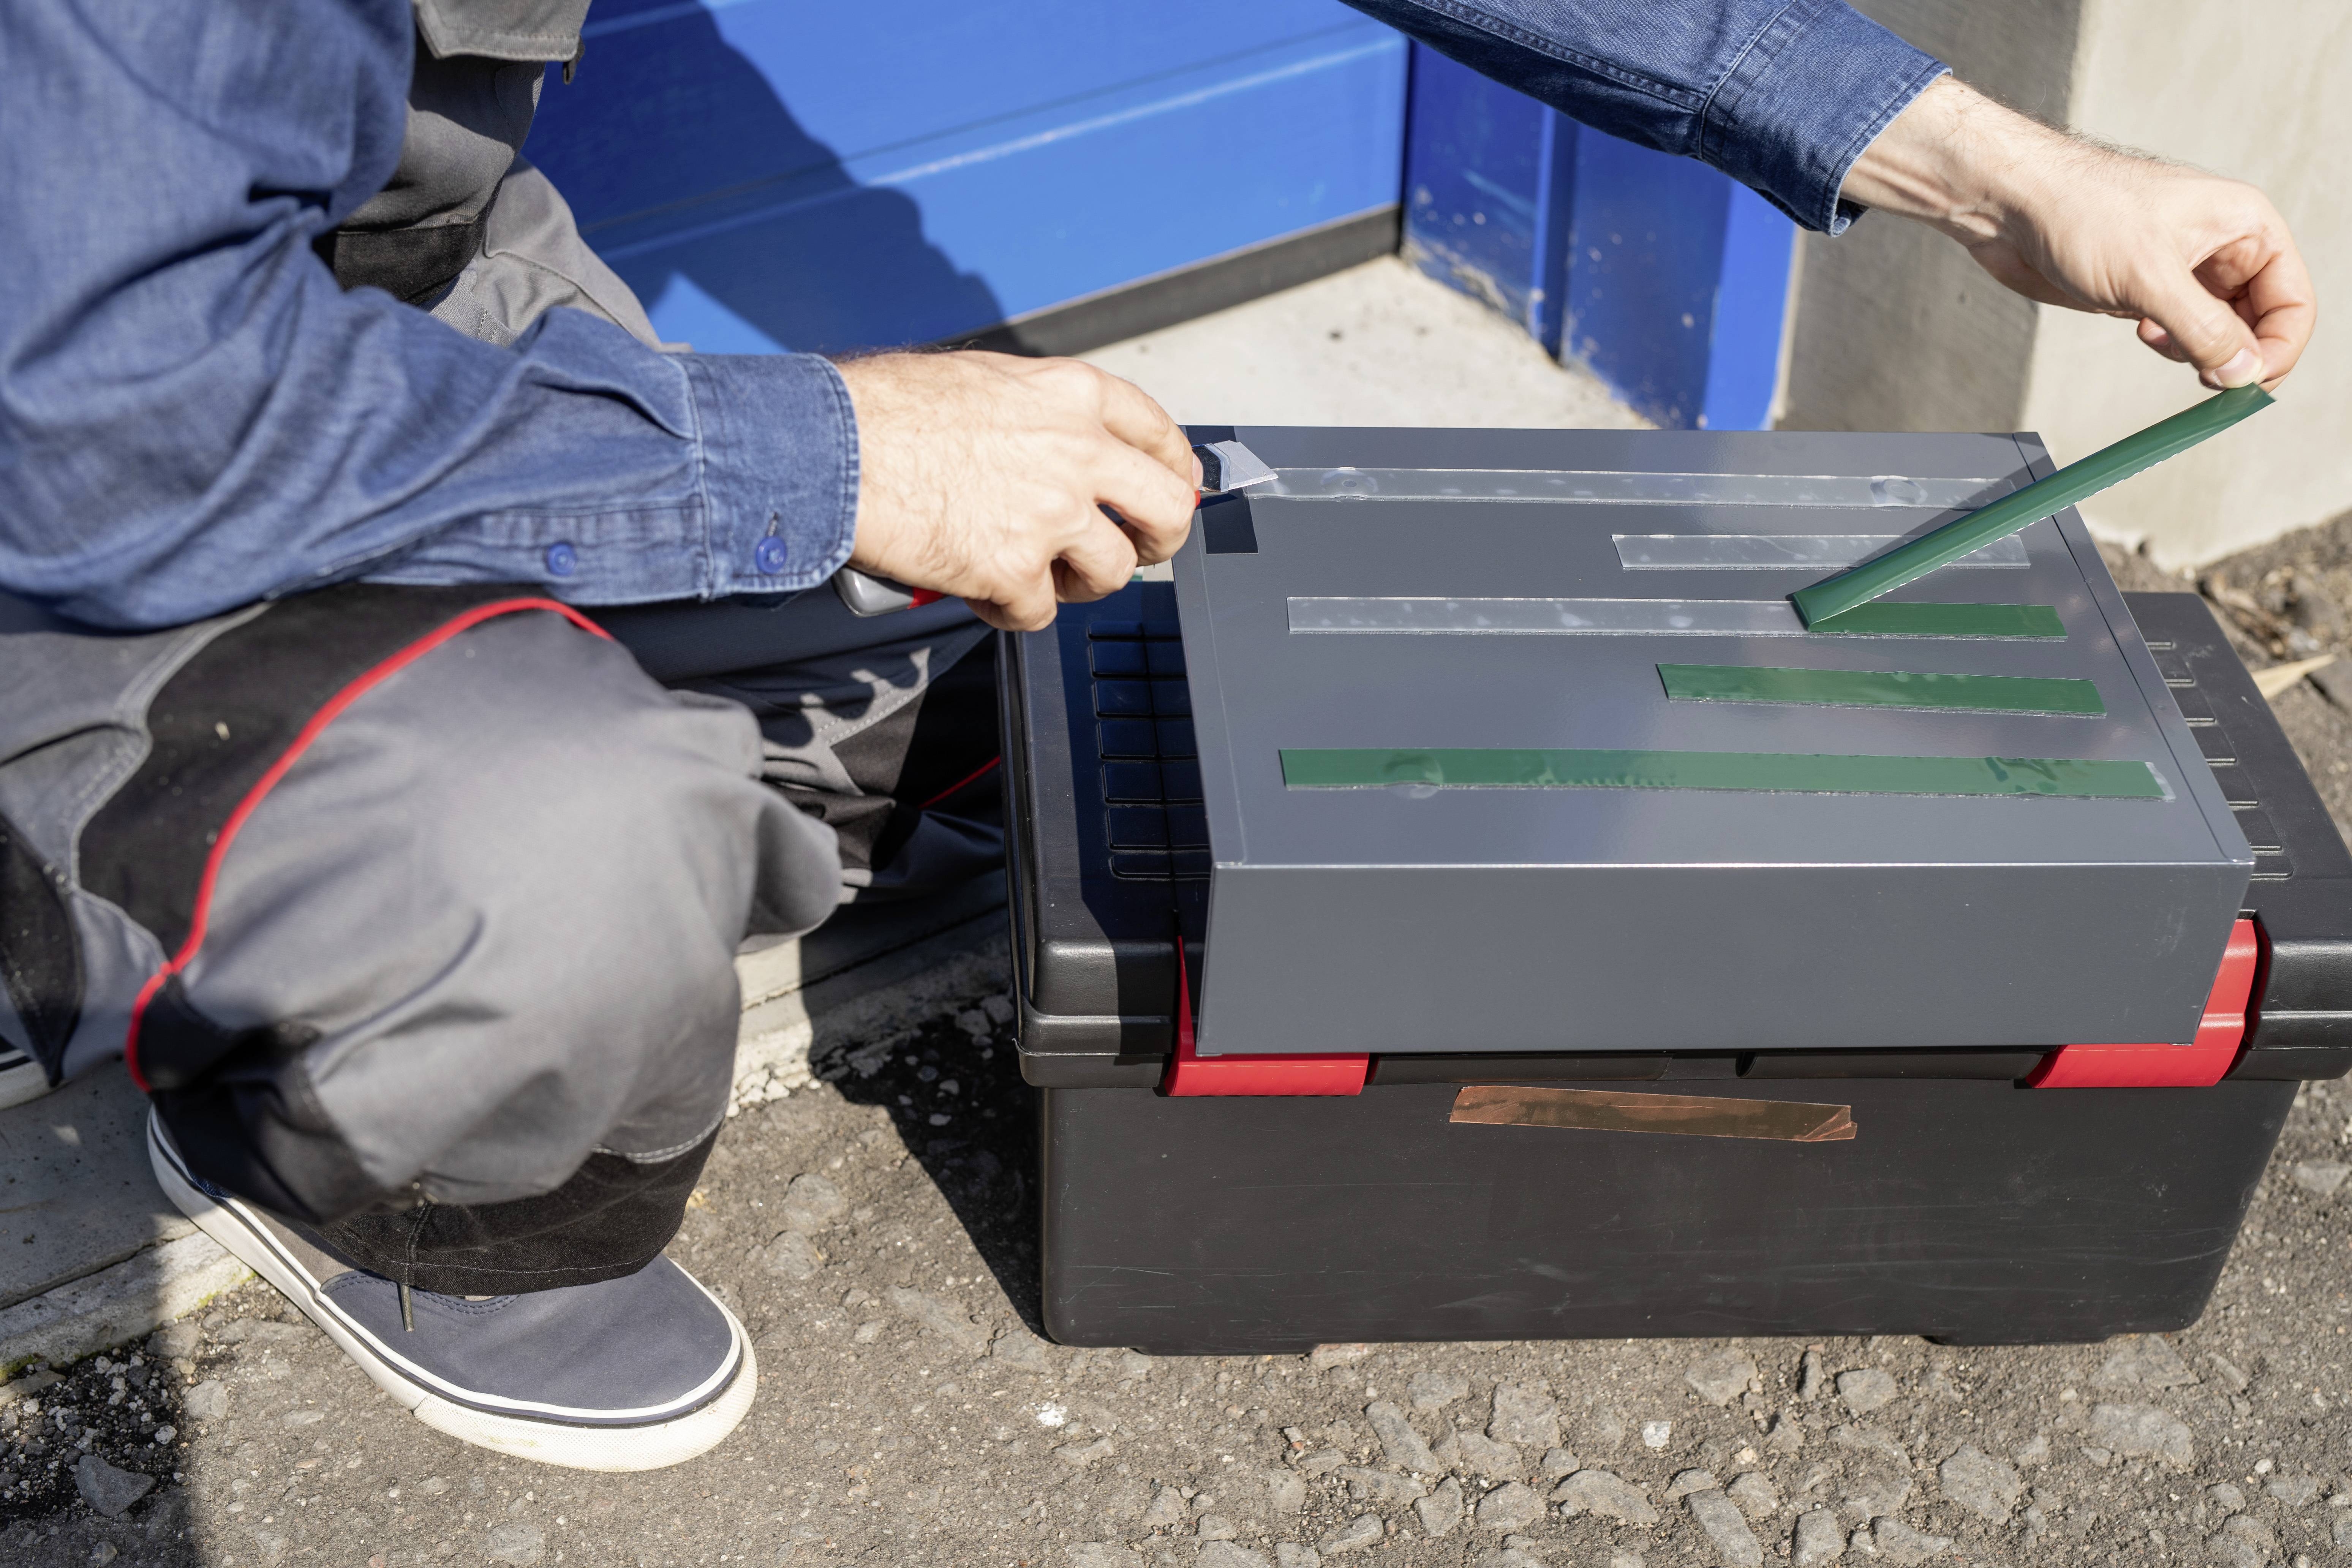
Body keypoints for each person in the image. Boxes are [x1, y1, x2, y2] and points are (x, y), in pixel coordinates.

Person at [0, 0, 2314, 1470]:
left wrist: (1975, 161)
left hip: (374, 293)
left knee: (1120, 564)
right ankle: (404, 1190)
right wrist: (831, 460)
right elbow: (105, 416)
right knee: (568, 849)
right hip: (67, 455)